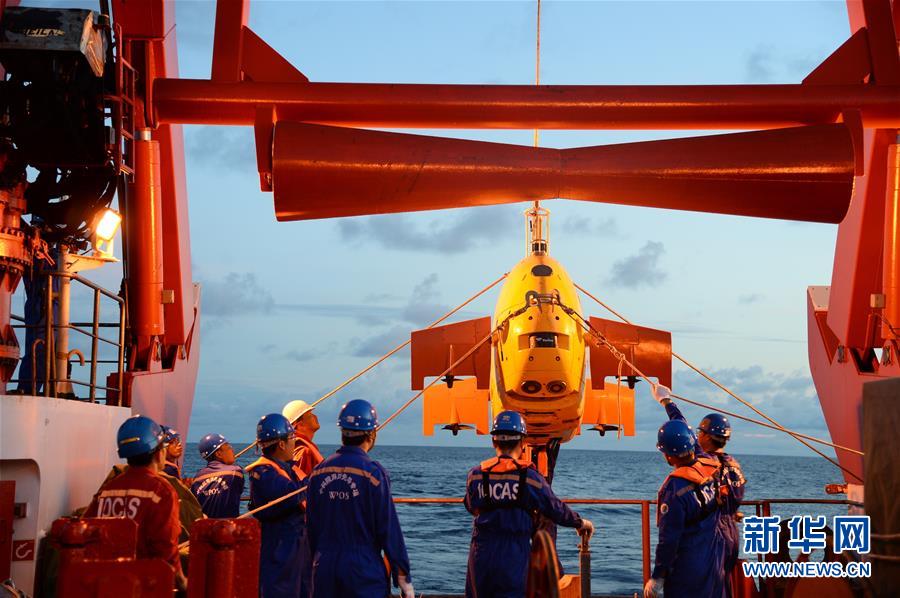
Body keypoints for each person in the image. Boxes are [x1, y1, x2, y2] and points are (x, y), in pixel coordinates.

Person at [464, 410, 594, 598]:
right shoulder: (529, 478)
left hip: (481, 555)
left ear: (493, 441)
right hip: (513, 555)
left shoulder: (476, 475)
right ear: (522, 442)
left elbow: (471, 506)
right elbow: (554, 507)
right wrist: (580, 523)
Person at [307, 399, 414, 598]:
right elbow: (388, 528)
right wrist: (403, 576)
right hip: (362, 569)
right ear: (372, 433)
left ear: (342, 432)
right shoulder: (373, 474)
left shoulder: (318, 472)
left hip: (324, 567)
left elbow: (311, 527)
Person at [653, 384, 746, 593]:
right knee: (720, 584)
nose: (697, 436)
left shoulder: (704, 463)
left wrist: (666, 401)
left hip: (708, 536)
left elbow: (681, 425)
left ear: (705, 436)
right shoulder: (734, 467)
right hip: (730, 535)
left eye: (699, 432)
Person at [84, 415, 187, 591]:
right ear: (159, 452)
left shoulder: (108, 489)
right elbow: (165, 546)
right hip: (143, 584)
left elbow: (86, 531)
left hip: (106, 583)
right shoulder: (161, 490)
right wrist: (181, 582)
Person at [644, 418, 727, 598]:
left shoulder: (674, 490)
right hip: (714, 560)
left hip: (688, 570)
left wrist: (658, 576)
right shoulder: (708, 468)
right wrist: (669, 404)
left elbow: (669, 540)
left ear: (668, 455)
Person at [246, 413, 309, 598]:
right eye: (292, 438)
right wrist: (317, 477)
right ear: (281, 444)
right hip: (280, 546)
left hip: (296, 546)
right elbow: (290, 494)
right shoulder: (263, 472)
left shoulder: (287, 469)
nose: (294, 443)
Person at [191, 433, 244, 519]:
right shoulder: (235, 472)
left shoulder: (197, 478)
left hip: (205, 526)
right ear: (218, 454)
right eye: (228, 447)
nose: (232, 450)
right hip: (227, 526)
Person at [283, 399, 324, 475]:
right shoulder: (304, 452)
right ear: (300, 425)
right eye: (310, 415)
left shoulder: (295, 448)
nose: (315, 416)